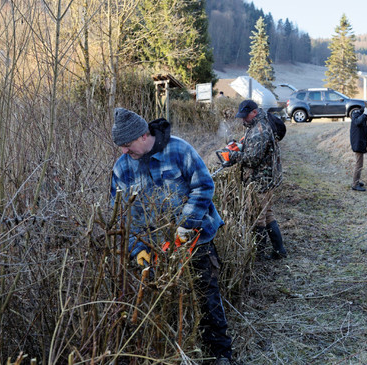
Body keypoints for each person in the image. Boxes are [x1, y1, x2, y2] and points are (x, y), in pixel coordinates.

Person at [109, 107, 233, 364]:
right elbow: (122, 214)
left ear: (144, 135)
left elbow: (204, 185)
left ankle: (221, 353)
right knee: (164, 302)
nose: (123, 151)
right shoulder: (122, 168)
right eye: (120, 145)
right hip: (156, 247)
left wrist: (186, 225)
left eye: (127, 144)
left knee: (206, 296)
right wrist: (135, 248)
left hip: (197, 238)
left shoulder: (180, 150)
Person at [228, 100, 287, 259]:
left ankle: (258, 255)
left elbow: (252, 160)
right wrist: (241, 146)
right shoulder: (256, 125)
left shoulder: (260, 130)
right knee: (267, 214)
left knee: (257, 217)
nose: (243, 120)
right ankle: (279, 251)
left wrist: (232, 155)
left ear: (254, 112)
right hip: (265, 179)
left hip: (260, 181)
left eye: (245, 116)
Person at [349, 106, 367, 191]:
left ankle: (356, 181)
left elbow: (362, 130)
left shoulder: (362, 118)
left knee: (359, 164)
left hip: (360, 143)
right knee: (359, 164)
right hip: (357, 143)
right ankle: (355, 184)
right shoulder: (356, 116)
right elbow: (357, 122)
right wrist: (364, 114)